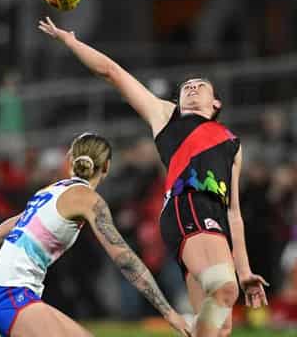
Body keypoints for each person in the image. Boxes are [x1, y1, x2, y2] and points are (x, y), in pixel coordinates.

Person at [38, 17, 269, 337]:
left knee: (221, 327)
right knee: (224, 291)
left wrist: (245, 271)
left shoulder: (232, 144)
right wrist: (72, 43)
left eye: (199, 86)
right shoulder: (166, 116)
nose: (190, 89)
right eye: (185, 87)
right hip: (186, 207)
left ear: (216, 103)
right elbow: (112, 73)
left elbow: (234, 213)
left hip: (212, 218)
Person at [0, 133, 191, 337]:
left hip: (9, 293)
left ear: (70, 160)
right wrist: (168, 312)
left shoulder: (48, 192)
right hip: (8, 294)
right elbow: (125, 258)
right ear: (106, 168)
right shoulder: (88, 200)